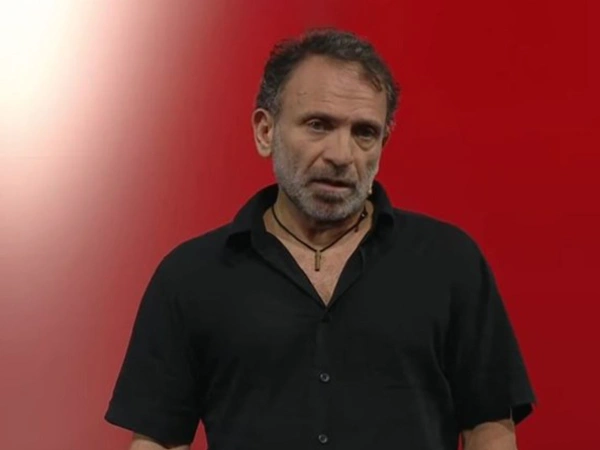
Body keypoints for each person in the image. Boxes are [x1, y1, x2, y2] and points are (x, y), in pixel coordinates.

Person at [105, 27, 536, 450]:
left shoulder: (449, 263)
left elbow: (489, 425)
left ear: (383, 142)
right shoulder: (190, 276)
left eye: (364, 132)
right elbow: (159, 439)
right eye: (318, 125)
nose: (341, 155)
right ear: (265, 131)